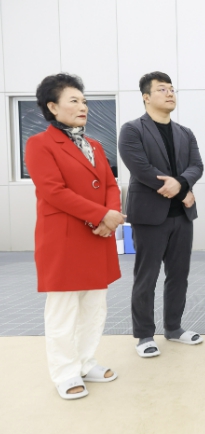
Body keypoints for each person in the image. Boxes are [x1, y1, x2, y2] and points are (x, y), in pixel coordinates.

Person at [25, 73, 123, 400]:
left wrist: (110, 216)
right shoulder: (39, 144)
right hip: (65, 238)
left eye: (84, 101)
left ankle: (85, 362)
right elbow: (53, 191)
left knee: (94, 306)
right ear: (52, 107)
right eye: (74, 101)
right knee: (63, 310)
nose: (83, 107)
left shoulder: (95, 145)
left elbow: (109, 184)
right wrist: (101, 215)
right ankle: (65, 372)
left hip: (97, 235)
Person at [118, 71, 204, 358]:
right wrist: (181, 190)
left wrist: (182, 184)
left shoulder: (185, 132)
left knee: (179, 275)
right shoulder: (132, 130)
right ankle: (144, 335)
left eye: (172, 89)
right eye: (162, 89)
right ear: (146, 97)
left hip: (182, 216)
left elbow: (196, 166)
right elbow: (141, 169)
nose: (170, 93)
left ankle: (174, 328)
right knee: (147, 276)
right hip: (149, 216)